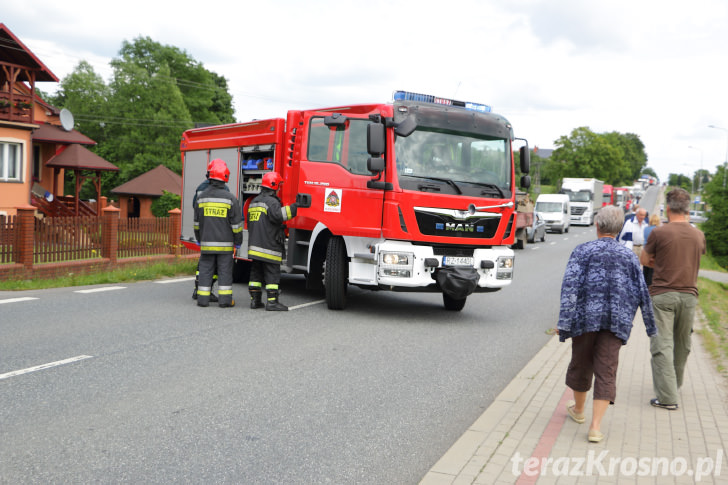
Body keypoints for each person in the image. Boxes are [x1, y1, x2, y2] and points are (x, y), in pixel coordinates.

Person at [558, 205, 656, 443]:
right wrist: (650, 326)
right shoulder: (629, 257)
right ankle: (595, 427)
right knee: (607, 368)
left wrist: (564, 323)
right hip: (616, 321)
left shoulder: (582, 251)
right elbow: (642, 291)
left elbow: (569, 288)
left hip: (584, 319)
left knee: (581, 362)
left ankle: (579, 411)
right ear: (620, 228)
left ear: (597, 225)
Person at [640, 188, 706, 410]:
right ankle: (673, 385)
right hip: (689, 296)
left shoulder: (660, 233)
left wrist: (660, 264)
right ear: (687, 210)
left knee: (662, 344)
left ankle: (667, 397)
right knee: (682, 344)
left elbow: (644, 259)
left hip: (663, 294)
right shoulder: (699, 235)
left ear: (668, 209)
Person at [246, 172, 302, 311]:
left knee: (256, 274)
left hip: (254, 246)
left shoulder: (254, 201)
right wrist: (296, 206)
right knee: (272, 274)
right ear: (274, 185)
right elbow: (280, 215)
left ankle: (255, 301)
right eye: (278, 186)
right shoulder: (271, 202)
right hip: (269, 246)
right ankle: (272, 303)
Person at [193, 159, 243, 308]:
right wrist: (238, 241)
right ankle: (225, 301)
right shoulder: (231, 199)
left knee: (205, 271)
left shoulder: (201, 198)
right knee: (225, 272)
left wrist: (199, 239)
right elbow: (236, 225)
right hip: (226, 246)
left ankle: (202, 300)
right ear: (226, 176)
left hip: (206, 243)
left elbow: (197, 224)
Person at [641, 214, 661, 286]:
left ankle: (644, 286)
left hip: (646, 250)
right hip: (654, 252)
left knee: (645, 270)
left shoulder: (646, 228)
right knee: (652, 272)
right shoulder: (658, 230)